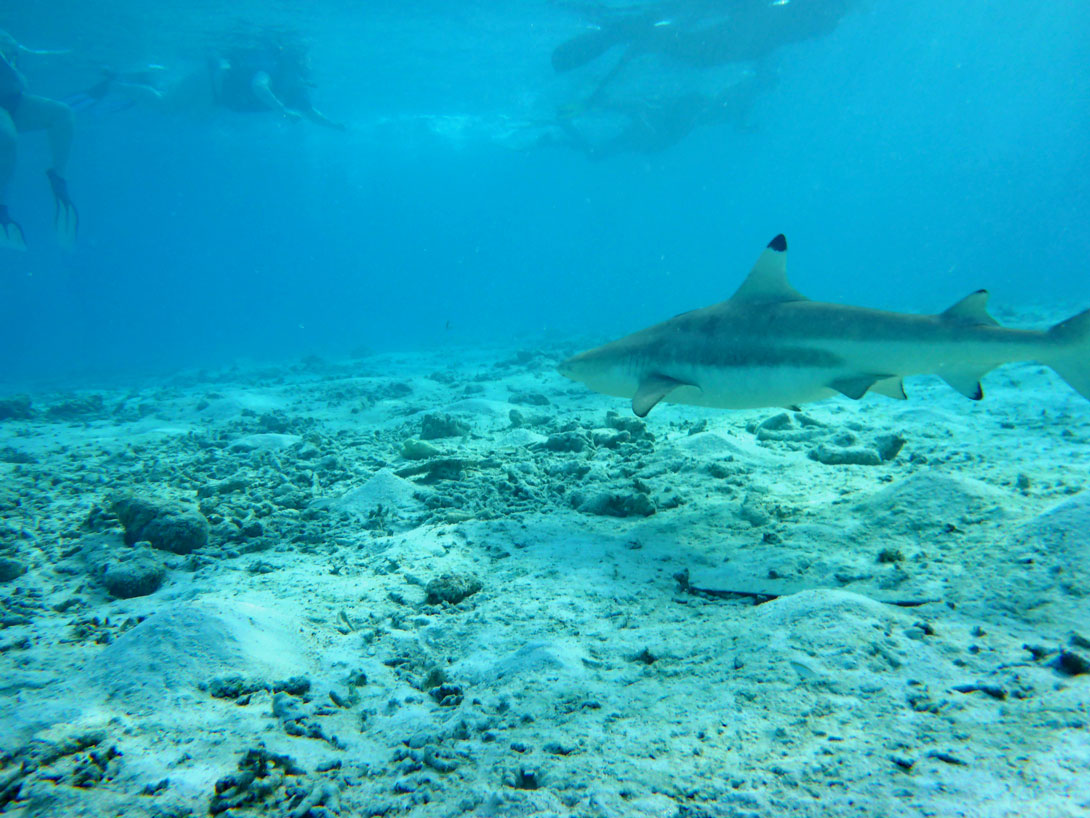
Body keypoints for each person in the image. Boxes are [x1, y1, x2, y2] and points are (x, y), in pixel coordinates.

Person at [0, 30, 77, 250]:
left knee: (62, 114)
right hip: (6, 105)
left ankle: (59, 180)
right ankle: (1, 209)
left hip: (12, 101)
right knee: (6, 135)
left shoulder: (6, 38)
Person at [209, 40, 345, 130]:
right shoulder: (272, 72)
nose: (307, 68)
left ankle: (221, 69)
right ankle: (222, 62)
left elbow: (311, 113)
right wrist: (283, 111)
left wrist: (333, 125)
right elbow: (258, 86)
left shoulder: (297, 90)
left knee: (223, 82)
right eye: (304, 62)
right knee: (223, 72)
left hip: (237, 104)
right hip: (231, 95)